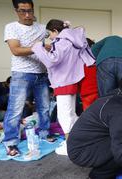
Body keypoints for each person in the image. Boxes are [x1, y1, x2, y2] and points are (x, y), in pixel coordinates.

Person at [32, 19, 98, 155]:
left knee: (64, 116)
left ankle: (71, 146)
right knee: (71, 114)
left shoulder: (63, 41)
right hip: (72, 80)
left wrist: (38, 47)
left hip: (63, 81)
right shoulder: (74, 40)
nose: (50, 37)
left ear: (55, 31)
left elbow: (52, 60)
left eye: (50, 33)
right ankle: (77, 141)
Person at [3, 0, 54, 156]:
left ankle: (44, 133)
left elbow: (57, 33)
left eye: (30, 11)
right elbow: (16, 50)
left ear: (33, 10)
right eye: (22, 11)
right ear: (16, 11)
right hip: (21, 74)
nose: (27, 15)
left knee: (45, 107)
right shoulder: (11, 27)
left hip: (42, 73)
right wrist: (39, 48)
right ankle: (11, 142)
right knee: (15, 109)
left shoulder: (42, 28)